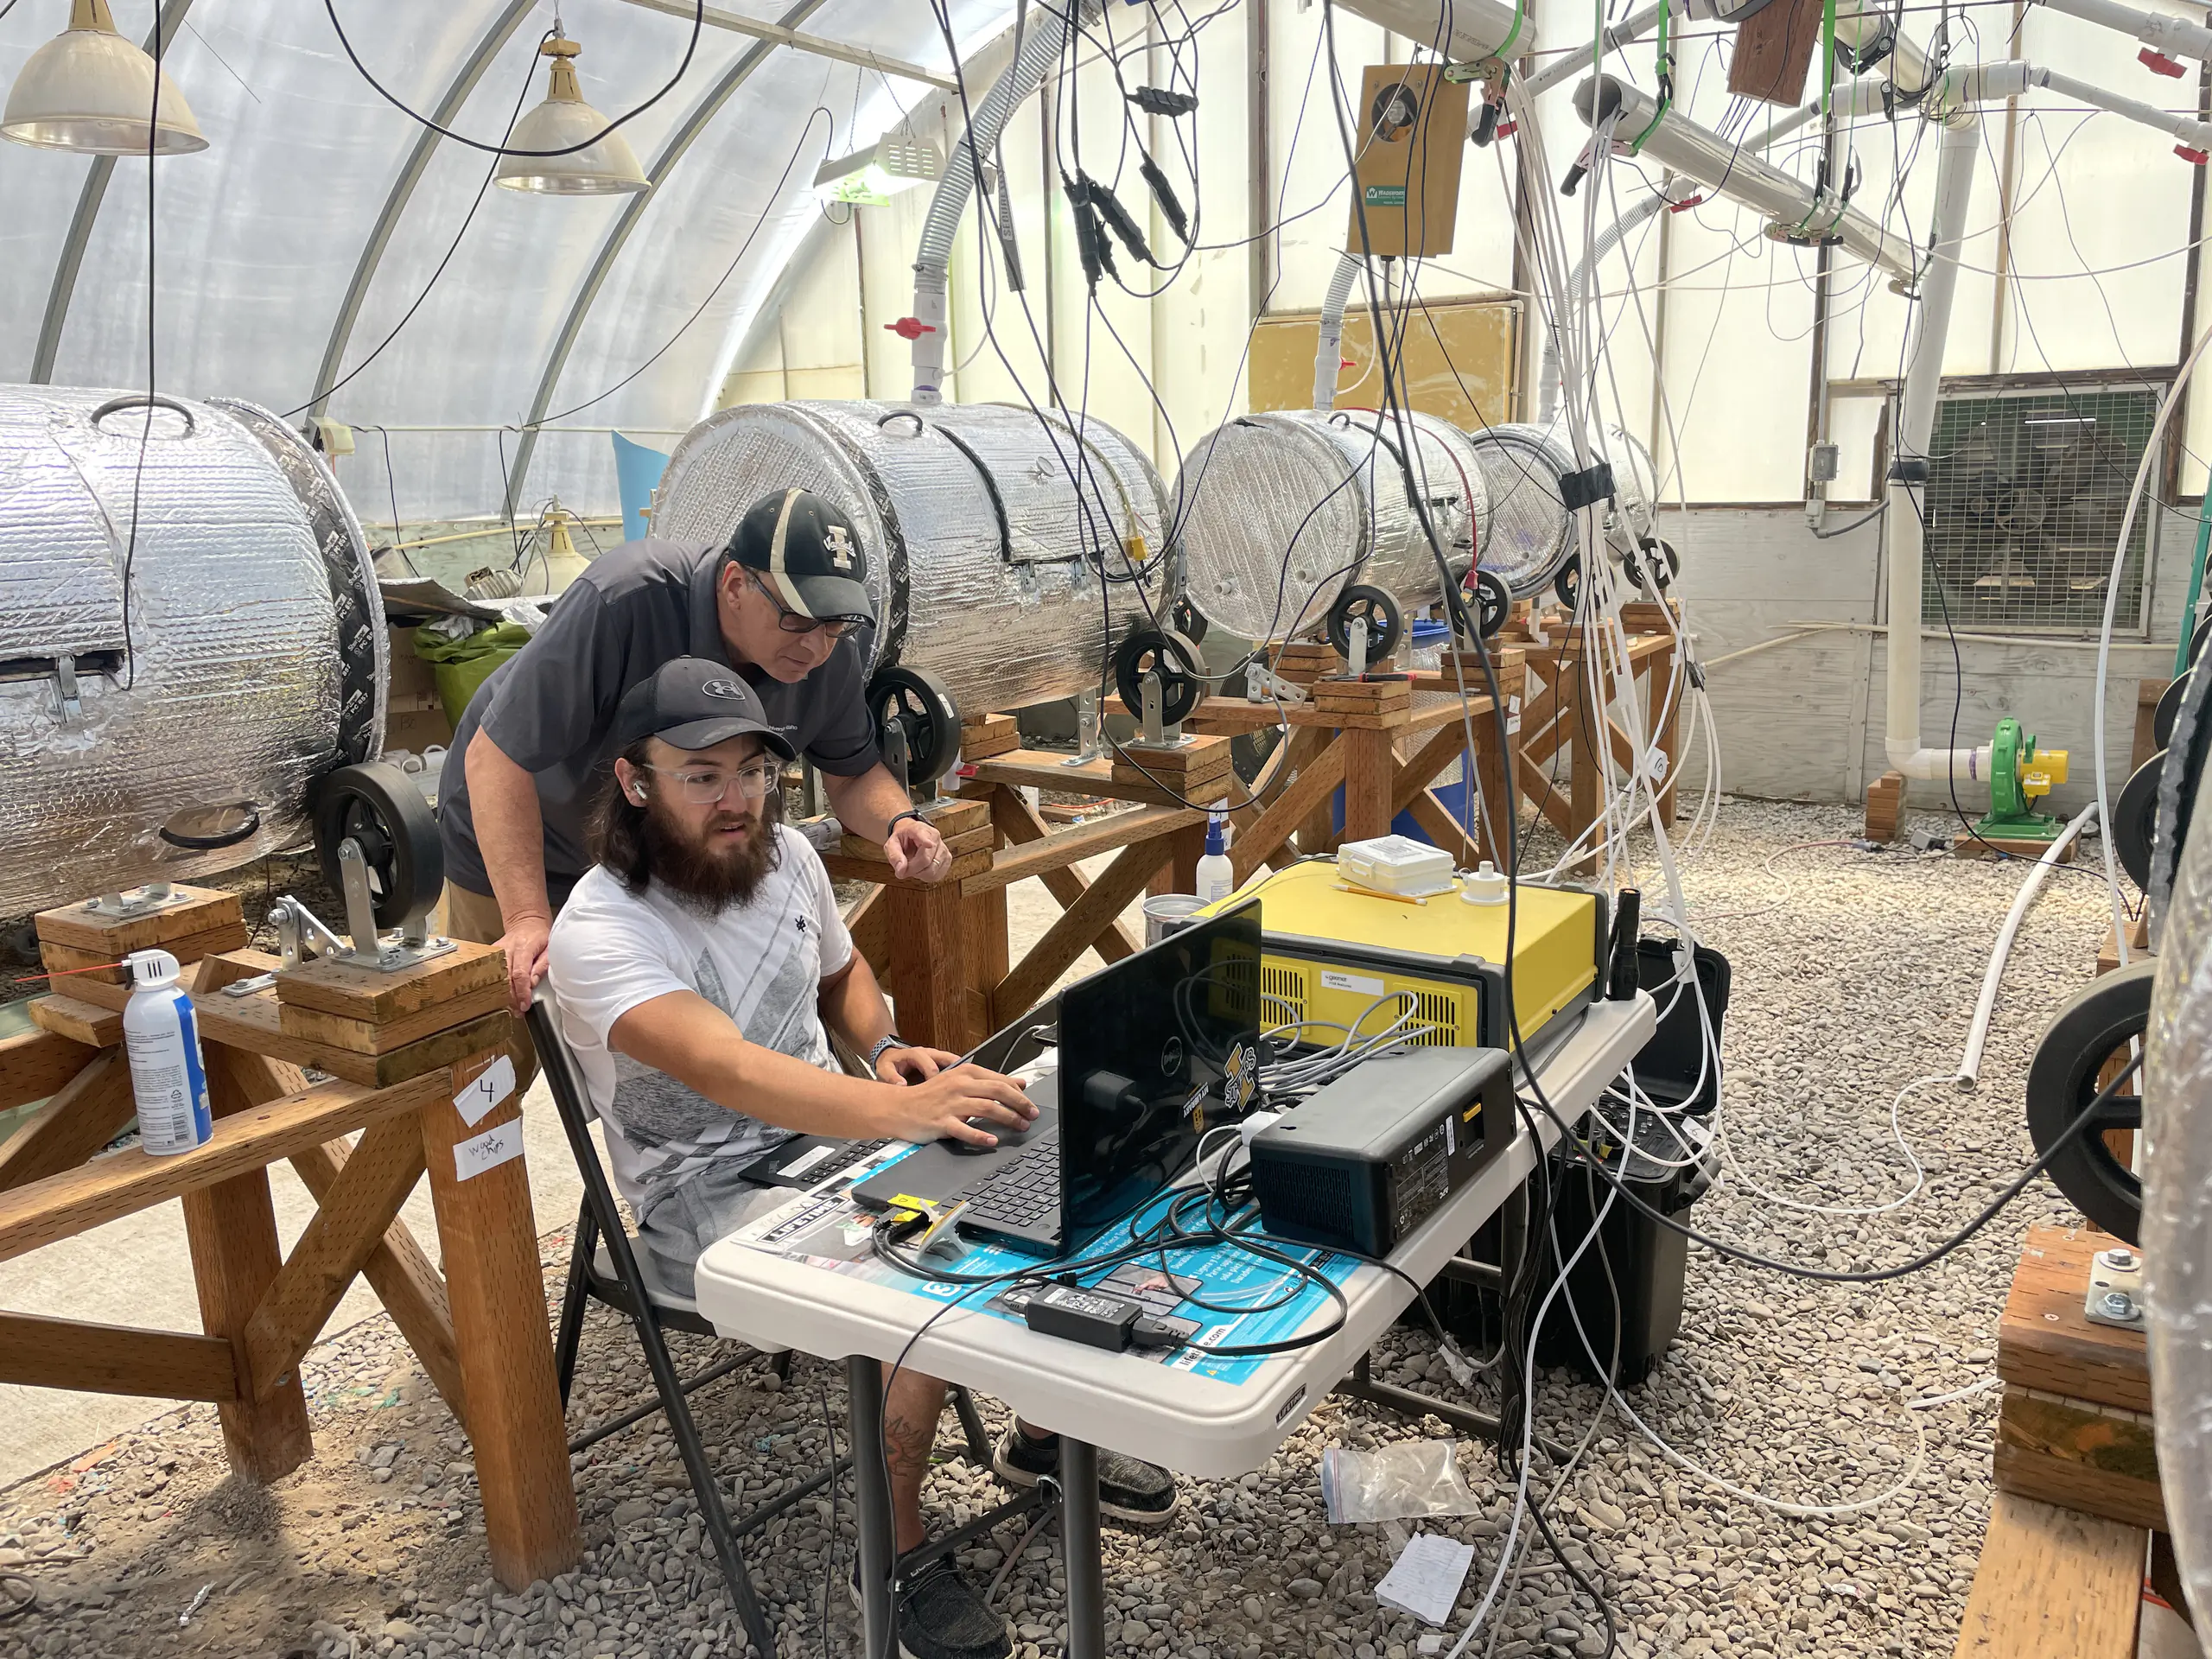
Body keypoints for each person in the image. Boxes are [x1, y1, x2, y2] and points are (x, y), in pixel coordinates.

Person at [544, 658, 1177, 1659]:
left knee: (1042, 1149)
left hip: (831, 1135)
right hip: (705, 1202)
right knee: (913, 1264)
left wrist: (882, 1049)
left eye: (753, 773)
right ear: (634, 782)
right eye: (700, 777)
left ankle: (1044, 1431)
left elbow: (842, 977)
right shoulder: (599, 928)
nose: (736, 800)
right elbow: (730, 1070)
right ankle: (892, 1544)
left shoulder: (786, 856)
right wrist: (897, 1111)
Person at [440, 487, 951, 1015]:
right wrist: (524, 917)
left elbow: (852, 772)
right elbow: (496, 758)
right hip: (531, 850)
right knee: (498, 1047)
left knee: (661, 1051)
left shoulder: (826, 654)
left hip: (667, 865)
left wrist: (899, 822)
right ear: (734, 585)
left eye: (835, 623)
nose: (816, 646)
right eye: (798, 618)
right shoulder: (624, 599)